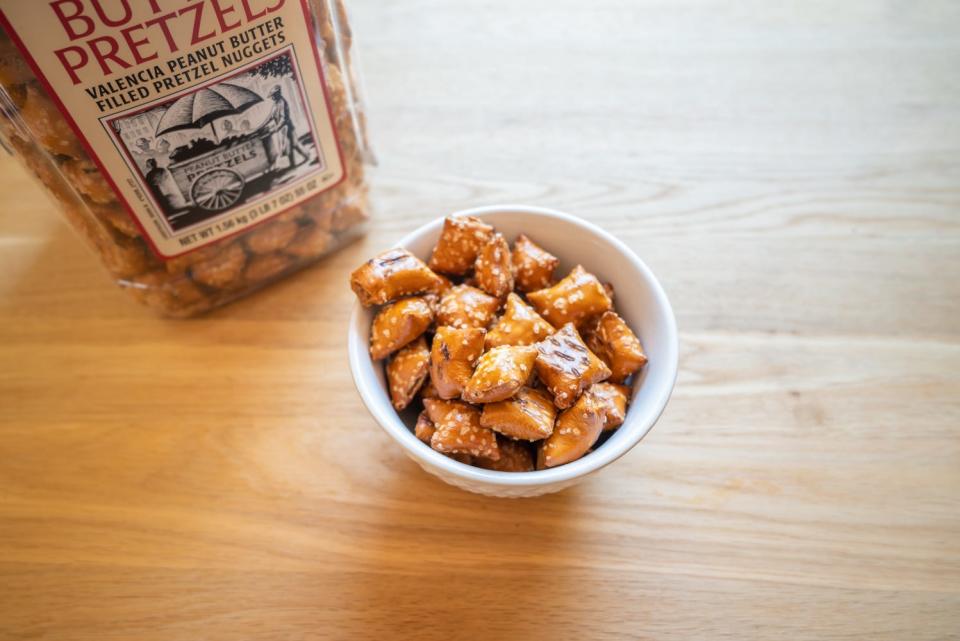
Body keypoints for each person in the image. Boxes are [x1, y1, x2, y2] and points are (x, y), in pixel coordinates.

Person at [267, 84, 311, 170]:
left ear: (277, 94)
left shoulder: (282, 102)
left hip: (287, 127)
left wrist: (276, 128)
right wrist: (260, 126)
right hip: (282, 129)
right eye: (272, 96)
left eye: (273, 95)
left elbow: (283, 118)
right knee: (291, 145)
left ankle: (302, 158)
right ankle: (296, 161)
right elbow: (270, 117)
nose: (272, 97)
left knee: (292, 144)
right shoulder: (275, 105)